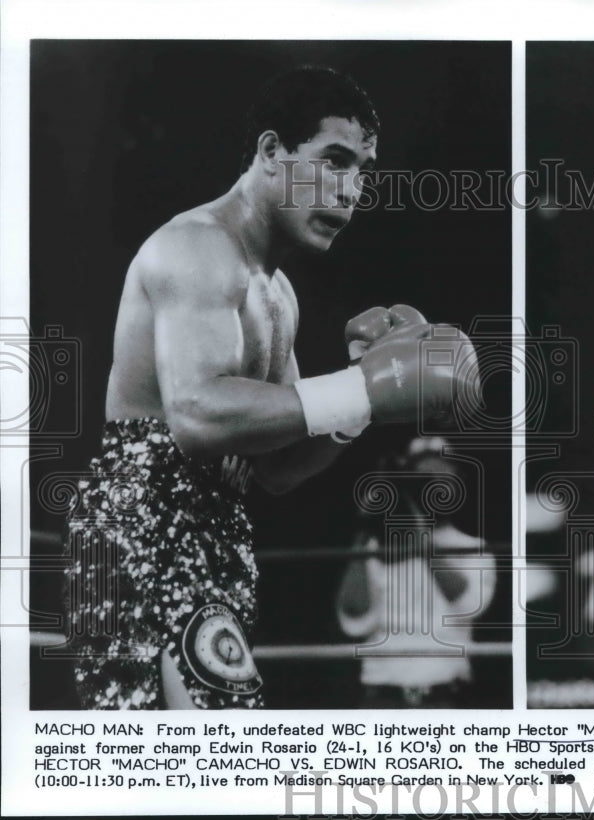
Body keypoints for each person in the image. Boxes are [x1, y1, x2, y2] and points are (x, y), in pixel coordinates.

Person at [63, 66, 480, 709]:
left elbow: (280, 467)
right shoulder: (197, 249)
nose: (350, 189)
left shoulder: (277, 295)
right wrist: (360, 388)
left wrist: (359, 399)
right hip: (142, 526)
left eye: (362, 171)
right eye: (333, 160)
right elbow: (198, 416)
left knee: (196, 774)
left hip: (214, 527)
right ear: (270, 152)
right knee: (191, 766)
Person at [336, 436, 497, 708]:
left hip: (444, 696)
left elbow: (471, 605)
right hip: (381, 696)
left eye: (441, 478)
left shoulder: (473, 548)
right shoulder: (372, 549)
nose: (433, 490)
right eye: (422, 480)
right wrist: (365, 528)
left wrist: (422, 541)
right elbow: (353, 621)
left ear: (459, 484)